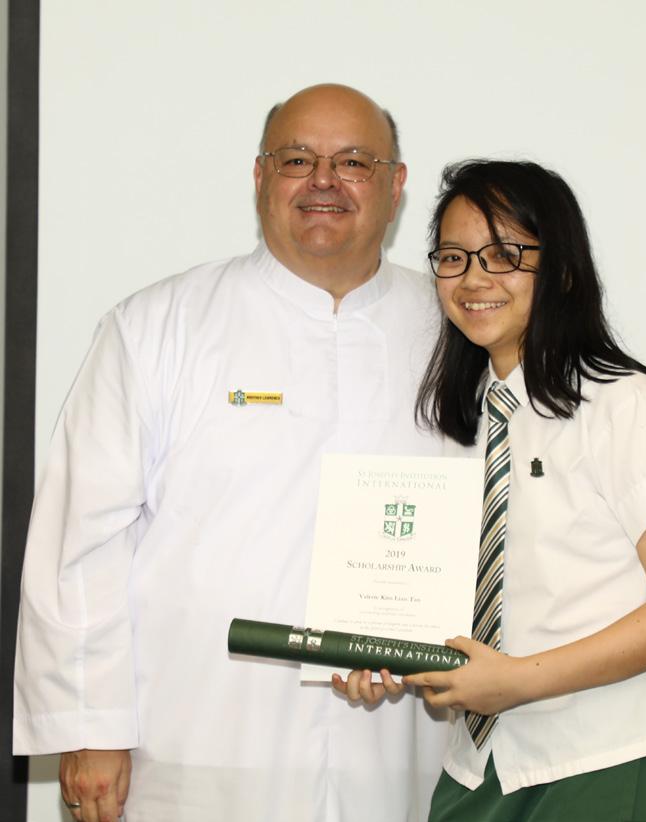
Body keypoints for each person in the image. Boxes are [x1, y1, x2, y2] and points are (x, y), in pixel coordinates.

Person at [13, 84, 449, 822]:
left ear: (395, 184)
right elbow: (81, 538)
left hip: (400, 744)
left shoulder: (455, 333)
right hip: (195, 743)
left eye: (353, 162)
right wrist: (89, 727)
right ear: (259, 176)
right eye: (296, 159)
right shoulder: (158, 326)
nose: (323, 180)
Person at [340, 159, 646, 821]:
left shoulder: (618, 403)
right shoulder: (461, 421)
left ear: (563, 269)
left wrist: (516, 681)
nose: (474, 278)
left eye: (504, 255)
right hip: (485, 756)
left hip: (610, 750)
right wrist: (386, 651)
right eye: (453, 257)